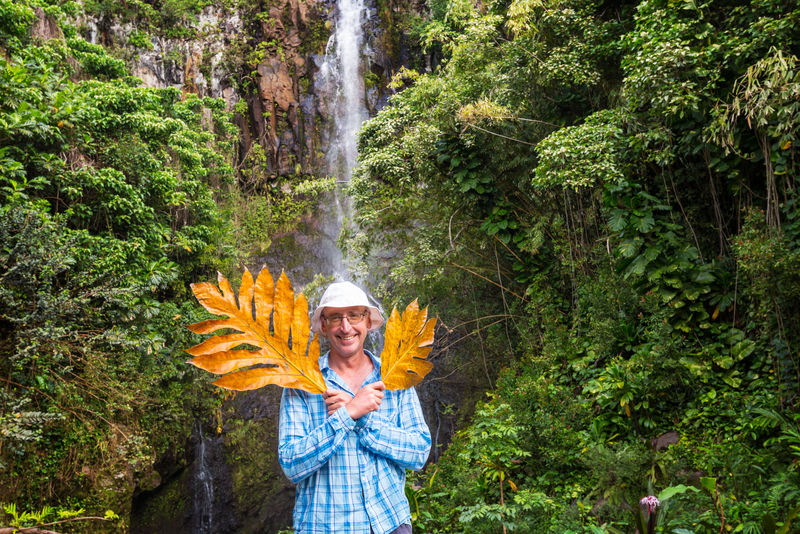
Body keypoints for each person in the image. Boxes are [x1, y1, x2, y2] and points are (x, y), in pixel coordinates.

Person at [278, 281, 431, 534]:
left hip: (390, 524)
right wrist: (347, 415)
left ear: (368, 322)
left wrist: (364, 419)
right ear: (324, 327)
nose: (346, 327)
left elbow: (419, 452)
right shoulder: (300, 382)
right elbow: (291, 464)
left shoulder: (396, 375)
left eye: (355, 315)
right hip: (325, 527)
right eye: (336, 317)